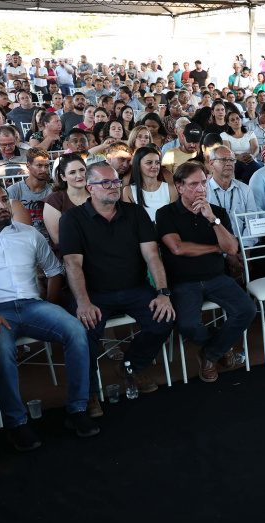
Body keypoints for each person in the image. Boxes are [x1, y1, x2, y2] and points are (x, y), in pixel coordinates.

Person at [0, 178, 99, 450]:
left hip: (32, 305)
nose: (3, 206)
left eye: (4, 199)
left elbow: (53, 271)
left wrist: (48, 306)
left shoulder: (29, 233)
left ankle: (77, 410)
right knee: (2, 349)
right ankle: (16, 424)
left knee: (75, 330)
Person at [62, 162, 176, 397]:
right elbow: (72, 264)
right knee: (82, 332)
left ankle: (130, 366)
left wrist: (163, 293)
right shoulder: (72, 219)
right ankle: (89, 393)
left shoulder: (135, 212)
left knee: (163, 320)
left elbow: (152, 255)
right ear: (90, 188)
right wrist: (83, 302)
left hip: (134, 288)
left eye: (115, 182)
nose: (113, 187)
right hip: (94, 294)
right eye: (105, 183)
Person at [155, 161, 254, 382]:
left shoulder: (217, 212)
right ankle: (219, 345)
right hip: (183, 281)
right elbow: (178, 248)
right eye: (193, 185)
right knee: (188, 325)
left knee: (247, 310)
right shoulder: (166, 214)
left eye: (203, 183)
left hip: (217, 277)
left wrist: (213, 220)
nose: (201, 189)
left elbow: (232, 249)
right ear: (179, 187)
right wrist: (215, 248)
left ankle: (209, 354)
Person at [122, 146, 179, 222]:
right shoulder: (128, 191)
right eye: (149, 163)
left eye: (157, 162)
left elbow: (175, 219)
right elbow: (129, 221)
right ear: (138, 166)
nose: (155, 166)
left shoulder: (170, 189)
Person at [7, 147, 52, 238]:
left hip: (49, 238)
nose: (44, 170)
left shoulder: (52, 191)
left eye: (46, 166)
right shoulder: (14, 190)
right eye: (39, 165)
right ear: (28, 166)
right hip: (22, 238)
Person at [221, 110, 261, 182]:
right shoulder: (224, 135)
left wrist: (252, 156)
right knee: (249, 167)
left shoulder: (250, 133)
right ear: (228, 123)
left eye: (238, 118)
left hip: (250, 160)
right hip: (233, 161)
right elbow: (227, 151)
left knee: (248, 168)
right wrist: (237, 157)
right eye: (232, 120)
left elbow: (255, 148)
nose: (236, 121)